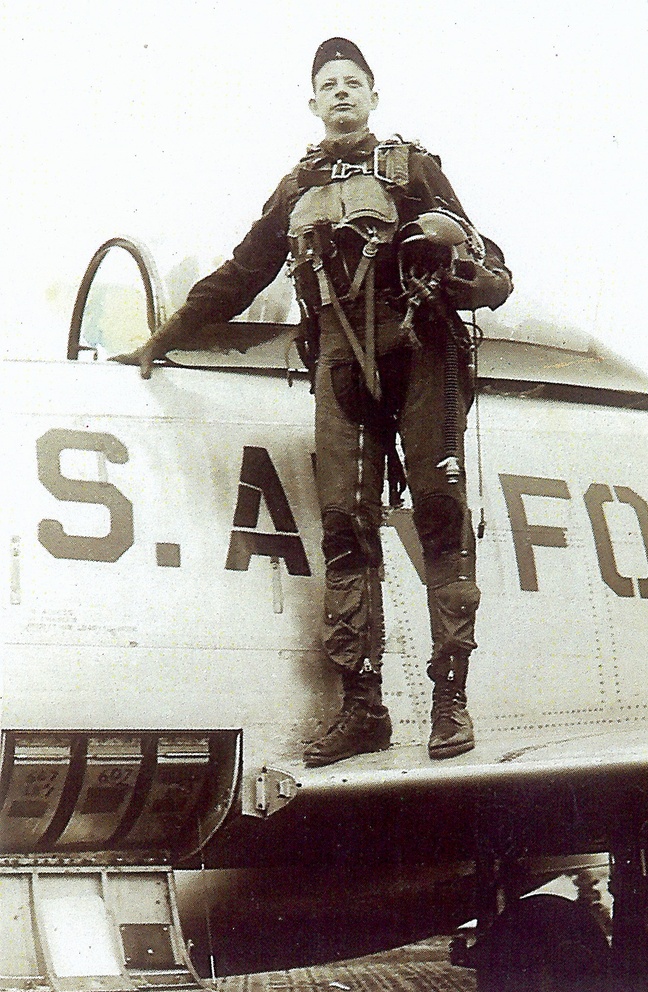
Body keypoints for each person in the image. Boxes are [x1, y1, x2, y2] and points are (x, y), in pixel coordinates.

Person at [117, 38, 513, 767]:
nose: (339, 93)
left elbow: (495, 271)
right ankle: (362, 708)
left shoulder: (413, 169)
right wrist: (164, 336)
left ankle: (451, 699)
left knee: (438, 513)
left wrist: (448, 258)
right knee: (344, 527)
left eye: (351, 82)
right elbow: (240, 273)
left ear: (371, 95)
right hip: (340, 364)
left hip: (420, 348)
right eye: (327, 84)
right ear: (312, 101)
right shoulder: (296, 186)